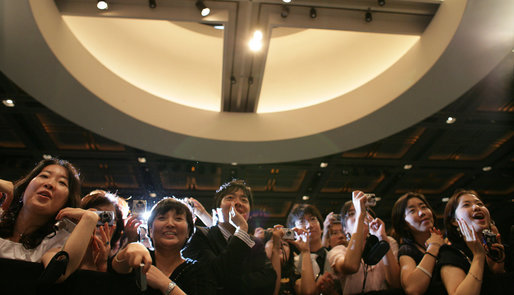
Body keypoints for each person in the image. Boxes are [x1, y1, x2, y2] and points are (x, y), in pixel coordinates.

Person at [182, 179, 276, 295]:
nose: (238, 203)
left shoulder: (256, 242)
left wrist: (229, 283)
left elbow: (269, 281)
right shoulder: (199, 236)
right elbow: (216, 277)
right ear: (217, 211)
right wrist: (241, 229)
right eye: (230, 198)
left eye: (244, 200)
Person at [0, 158, 81, 262]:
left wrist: (89, 219)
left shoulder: (60, 242)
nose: (49, 184)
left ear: (67, 202)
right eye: (44, 176)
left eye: (62, 182)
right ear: (26, 187)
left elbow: (58, 275)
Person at [438, 189, 513, 295]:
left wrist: (499, 272)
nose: (476, 207)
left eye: (479, 204)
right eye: (466, 205)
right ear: (454, 221)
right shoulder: (451, 253)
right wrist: (478, 256)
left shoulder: (501, 250)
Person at [328, 191, 401, 295]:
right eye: (352, 213)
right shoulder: (338, 251)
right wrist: (360, 215)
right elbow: (351, 266)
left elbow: (395, 283)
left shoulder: (387, 242)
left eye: (364, 211)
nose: (359, 214)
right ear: (345, 229)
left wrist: (382, 238)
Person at [391, 192, 446, 295]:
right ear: (404, 224)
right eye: (412, 211)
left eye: (424, 207)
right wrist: (433, 247)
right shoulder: (407, 250)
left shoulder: (445, 244)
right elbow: (412, 289)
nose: (422, 213)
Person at [286, 204, 339, 295]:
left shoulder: (336, 257)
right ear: (293, 231)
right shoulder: (293, 264)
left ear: (321, 227)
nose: (309, 225)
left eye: (313, 219)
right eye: (302, 221)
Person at [264, 226, 316, 295]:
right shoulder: (258, 273)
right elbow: (273, 290)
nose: (280, 245)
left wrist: (305, 251)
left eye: (285, 244)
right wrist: (275, 249)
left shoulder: (294, 278)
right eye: (274, 241)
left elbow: (309, 292)